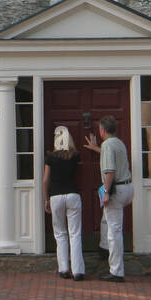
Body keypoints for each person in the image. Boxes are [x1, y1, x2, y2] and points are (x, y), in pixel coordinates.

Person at [84, 115, 133, 282]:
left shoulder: (107, 145)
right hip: (127, 187)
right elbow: (112, 157)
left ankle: (116, 271)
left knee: (114, 232)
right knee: (107, 221)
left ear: (102, 130)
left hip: (116, 189)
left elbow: (110, 171)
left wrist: (106, 191)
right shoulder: (118, 143)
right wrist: (96, 148)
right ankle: (104, 247)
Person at [42, 125, 84, 281]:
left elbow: (46, 180)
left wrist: (46, 199)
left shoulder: (50, 157)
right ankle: (78, 271)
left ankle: (64, 268)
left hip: (56, 196)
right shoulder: (75, 156)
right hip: (73, 195)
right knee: (75, 233)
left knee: (60, 234)